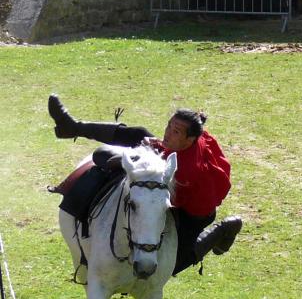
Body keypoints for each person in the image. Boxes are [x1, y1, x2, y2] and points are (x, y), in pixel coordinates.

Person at [47, 96, 241, 275]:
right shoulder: (185, 143)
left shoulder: (186, 170)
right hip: (179, 172)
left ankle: (225, 228)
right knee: (139, 134)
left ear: (189, 140)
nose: (167, 133)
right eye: (169, 126)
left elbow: (162, 197)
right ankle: (72, 127)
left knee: (173, 264)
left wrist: (126, 160)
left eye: (175, 132)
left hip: (193, 213)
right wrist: (150, 145)